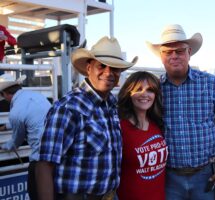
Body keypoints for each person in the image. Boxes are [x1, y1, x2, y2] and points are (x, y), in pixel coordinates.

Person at [35, 36, 138, 200]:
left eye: (115, 68)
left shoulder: (111, 105)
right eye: (102, 66)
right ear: (89, 68)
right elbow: (45, 165)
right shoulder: (68, 108)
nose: (108, 72)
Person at [146, 24, 215, 200]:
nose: (174, 56)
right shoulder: (153, 89)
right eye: (168, 52)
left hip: (205, 175)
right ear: (161, 56)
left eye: (179, 51)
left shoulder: (211, 84)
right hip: (167, 176)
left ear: (189, 52)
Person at [0, 73, 51, 200]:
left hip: (40, 158)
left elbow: (16, 141)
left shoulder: (16, 112)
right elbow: (29, 118)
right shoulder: (37, 96)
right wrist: (6, 126)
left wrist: (4, 146)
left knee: (35, 193)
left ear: (5, 94)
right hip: (57, 152)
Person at [117, 71, 167, 200]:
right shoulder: (119, 128)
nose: (144, 94)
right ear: (129, 93)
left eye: (150, 90)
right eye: (138, 89)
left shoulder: (157, 124)